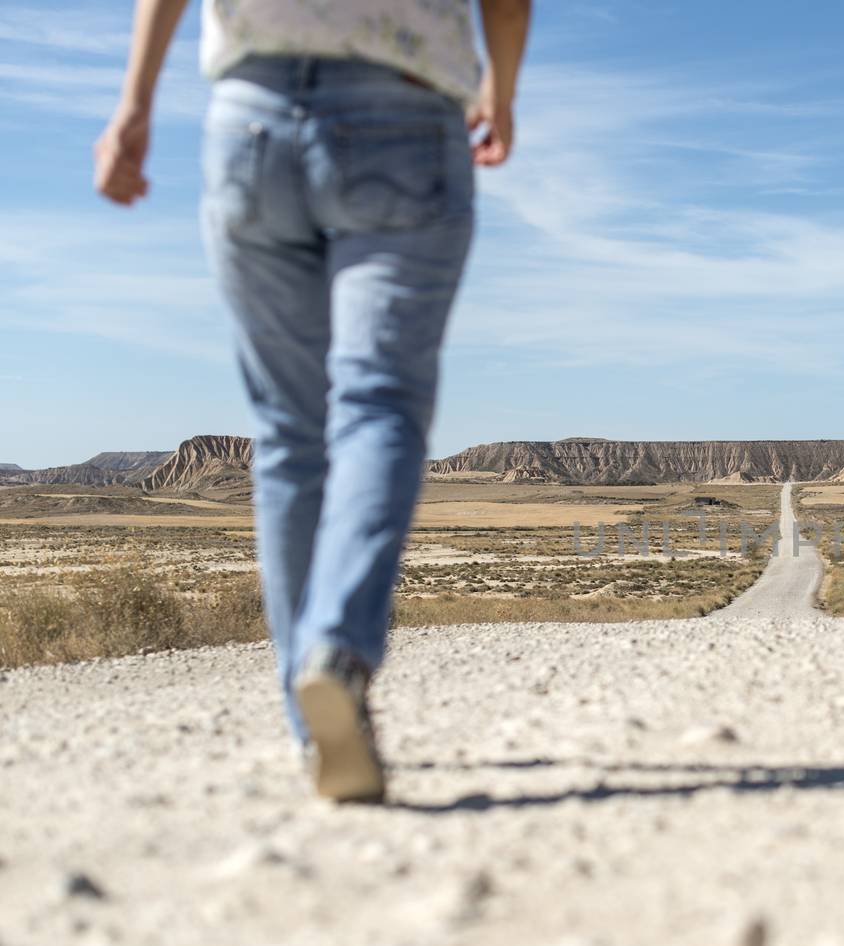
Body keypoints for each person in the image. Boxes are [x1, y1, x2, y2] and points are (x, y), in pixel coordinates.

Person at [94, 0, 533, 803]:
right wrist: (500, 92)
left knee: (290, 432)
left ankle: (314, 727)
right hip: (405, 108)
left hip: (250, 118)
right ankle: (336, 652)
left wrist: (134, 105)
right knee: (379, 402)